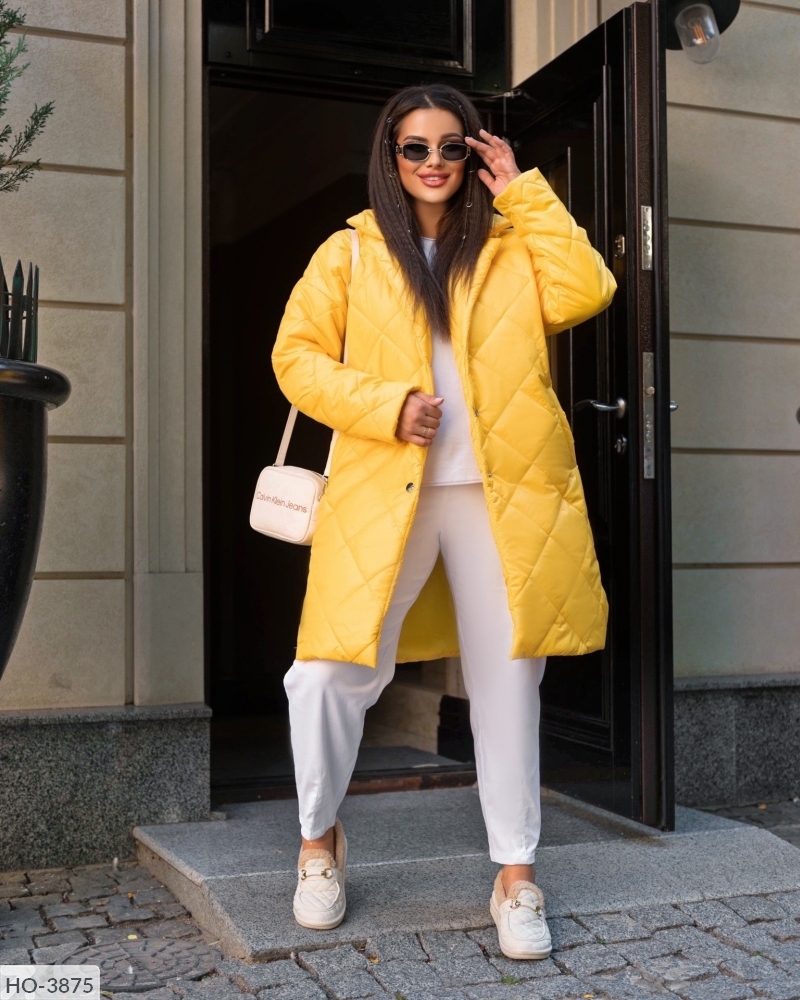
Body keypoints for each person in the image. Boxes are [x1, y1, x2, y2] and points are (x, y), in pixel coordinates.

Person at [272, 83, 616, 960]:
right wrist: (385, 406)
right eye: (416, 147)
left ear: (473, 155)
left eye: (451, 146)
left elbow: (588, 290)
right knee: (325, 674)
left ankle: (516, 876)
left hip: (503, 494)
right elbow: (295, 359)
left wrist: (524, 189)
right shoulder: (350, 252)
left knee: (510, 680)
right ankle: (318, 844)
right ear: (390, 156)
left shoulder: (510, 243)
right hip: (383, 489)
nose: (434, 162)